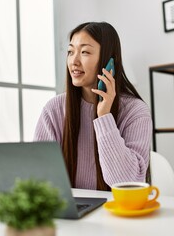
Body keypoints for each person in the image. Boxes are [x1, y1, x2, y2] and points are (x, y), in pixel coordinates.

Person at [33, 22, 152, 191]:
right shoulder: (54, 109)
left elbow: (127, 182)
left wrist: (104, 117)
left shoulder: (135, 111)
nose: (74, 61)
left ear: (109, 61)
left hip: (118, 212)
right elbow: (38, 176)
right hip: (70, 212)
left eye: (85, 52)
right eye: (70, 52)